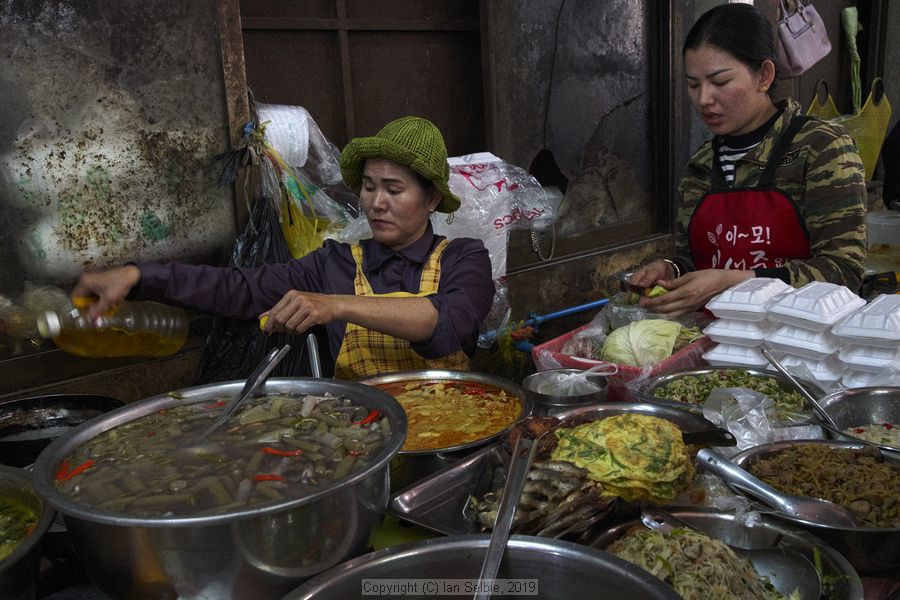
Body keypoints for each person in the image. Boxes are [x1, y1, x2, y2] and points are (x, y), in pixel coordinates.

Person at [72, 116, 495, 379]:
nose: (376, 202)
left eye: (394, 190)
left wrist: (336, 305)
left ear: (431, 198)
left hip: (453, 432)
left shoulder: (464, 257)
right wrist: (139, 275)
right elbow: (239, 288)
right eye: (369, 187)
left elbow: (446, 322)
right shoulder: (334, 264)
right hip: (367, 436)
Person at [631, 3, 867, 316]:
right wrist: (672, 269)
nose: (703, 99)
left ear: (764, 76)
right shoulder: (701, 166)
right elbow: (697, 261)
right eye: (693, 84)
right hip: (717, 341)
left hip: (797, 339)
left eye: (720, 82)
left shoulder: (820, 147)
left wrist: (734, 282)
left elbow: (843, 273)